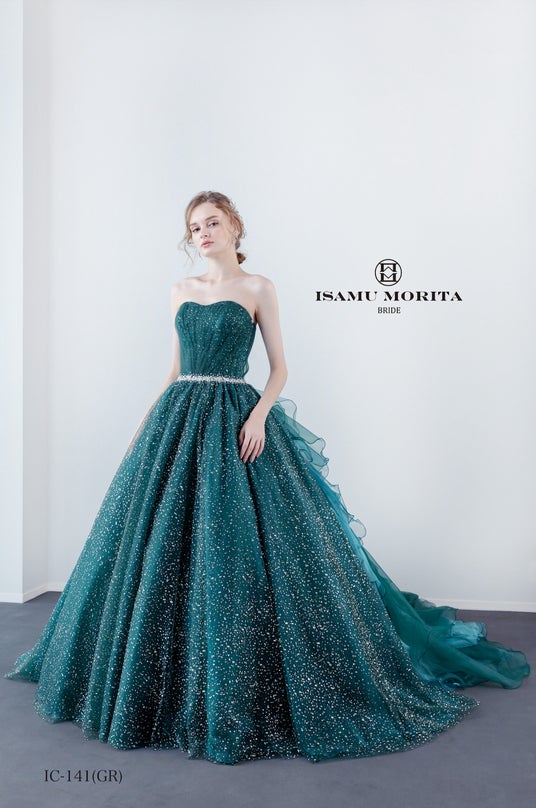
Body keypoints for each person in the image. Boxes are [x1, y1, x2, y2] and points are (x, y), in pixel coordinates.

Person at [4, 190, 530, 766]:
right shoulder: (180, 290)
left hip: (237, 419)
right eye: (194, 227)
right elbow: (175, 370)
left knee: (248, 545)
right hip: (177, 419)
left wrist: (257, 416)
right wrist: (143, 428)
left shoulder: (258, 287)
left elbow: (280, 369)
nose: (203, 233)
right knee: (160, 548)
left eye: (212, 222)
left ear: (234, 226)